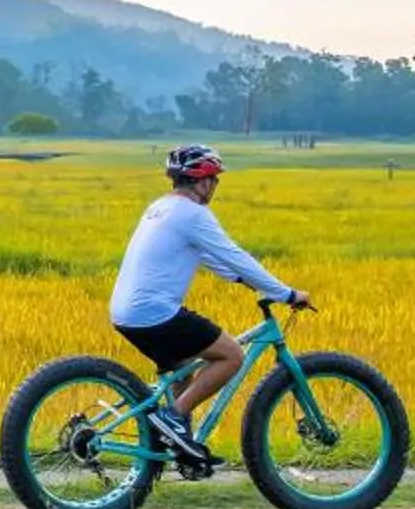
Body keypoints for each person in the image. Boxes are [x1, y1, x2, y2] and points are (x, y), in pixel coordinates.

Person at [109, 144, 313, 476]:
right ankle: (173, 419)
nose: (215, 186)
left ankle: (181, 448)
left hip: (126, 313)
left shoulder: (161, 207)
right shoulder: (194, 214)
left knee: (183, 367)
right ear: (202, 182)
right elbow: (235, 255)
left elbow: (210, 257)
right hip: (154, 312)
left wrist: (241, 281)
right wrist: (286, 293)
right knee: (231, 355)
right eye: (215, 180)